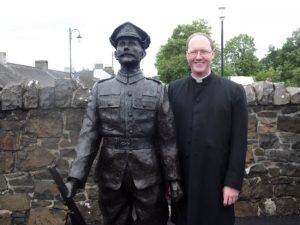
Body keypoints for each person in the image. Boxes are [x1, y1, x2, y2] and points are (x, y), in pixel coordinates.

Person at [65, 22, 182, 225]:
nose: (126, 47)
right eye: (121, 44)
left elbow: (167, 137)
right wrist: (74, 178)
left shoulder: (157, 89)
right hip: (111, 174)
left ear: (143, 53)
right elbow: (88, 135)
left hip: (149, 174)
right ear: (116, 53)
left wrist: (173, 178)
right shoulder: (100, 89)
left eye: (132, 43)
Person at [168, 32, 248, 225]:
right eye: (193, 52)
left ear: (212, 53)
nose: (198, 57)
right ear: (187, 54)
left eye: (203, 51)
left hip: (217, 182)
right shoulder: (172, 90)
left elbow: (239, 142)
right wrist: (168, 180)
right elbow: (166, 138)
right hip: (183, 182)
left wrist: (233, 183)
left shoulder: (234, 92)